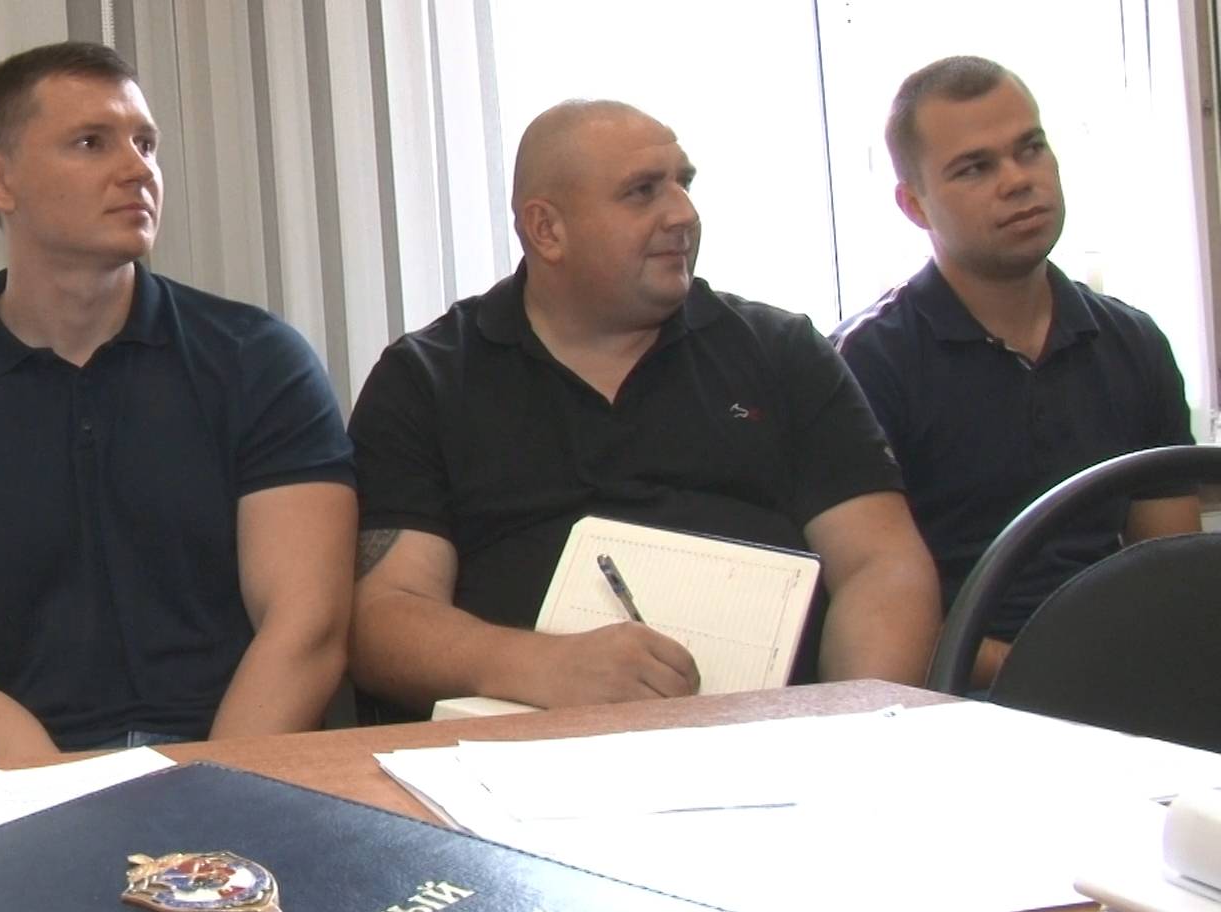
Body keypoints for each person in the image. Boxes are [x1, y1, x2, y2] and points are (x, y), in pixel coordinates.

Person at [349, 99, 940, 718]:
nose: (683, 214)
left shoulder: (780, 351)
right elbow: (385, 615)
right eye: (642, 192)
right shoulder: (429, 377)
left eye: (684, 183)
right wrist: (539, 665)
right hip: (513, 744)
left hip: (776, 735)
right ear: (547, 230)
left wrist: (855, 726)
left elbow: (882, 566)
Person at [0, 43, 354, 757]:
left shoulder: (260, 363)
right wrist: (77, 807)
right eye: (92, 142)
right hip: (33, 781)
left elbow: (306, 629)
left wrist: (211, 796)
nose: (137, 169)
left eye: (146, 143)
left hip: (237, 761)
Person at [833, 57, 1198, 689]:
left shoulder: (1132, 340)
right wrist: (1047, 670)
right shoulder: (863, 364)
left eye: (1030, 149)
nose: (1018, 181)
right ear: (914, 204)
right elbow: (866, 606)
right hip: (960, 694)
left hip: (1125, 682)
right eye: (975, 168)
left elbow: (1170, 572)